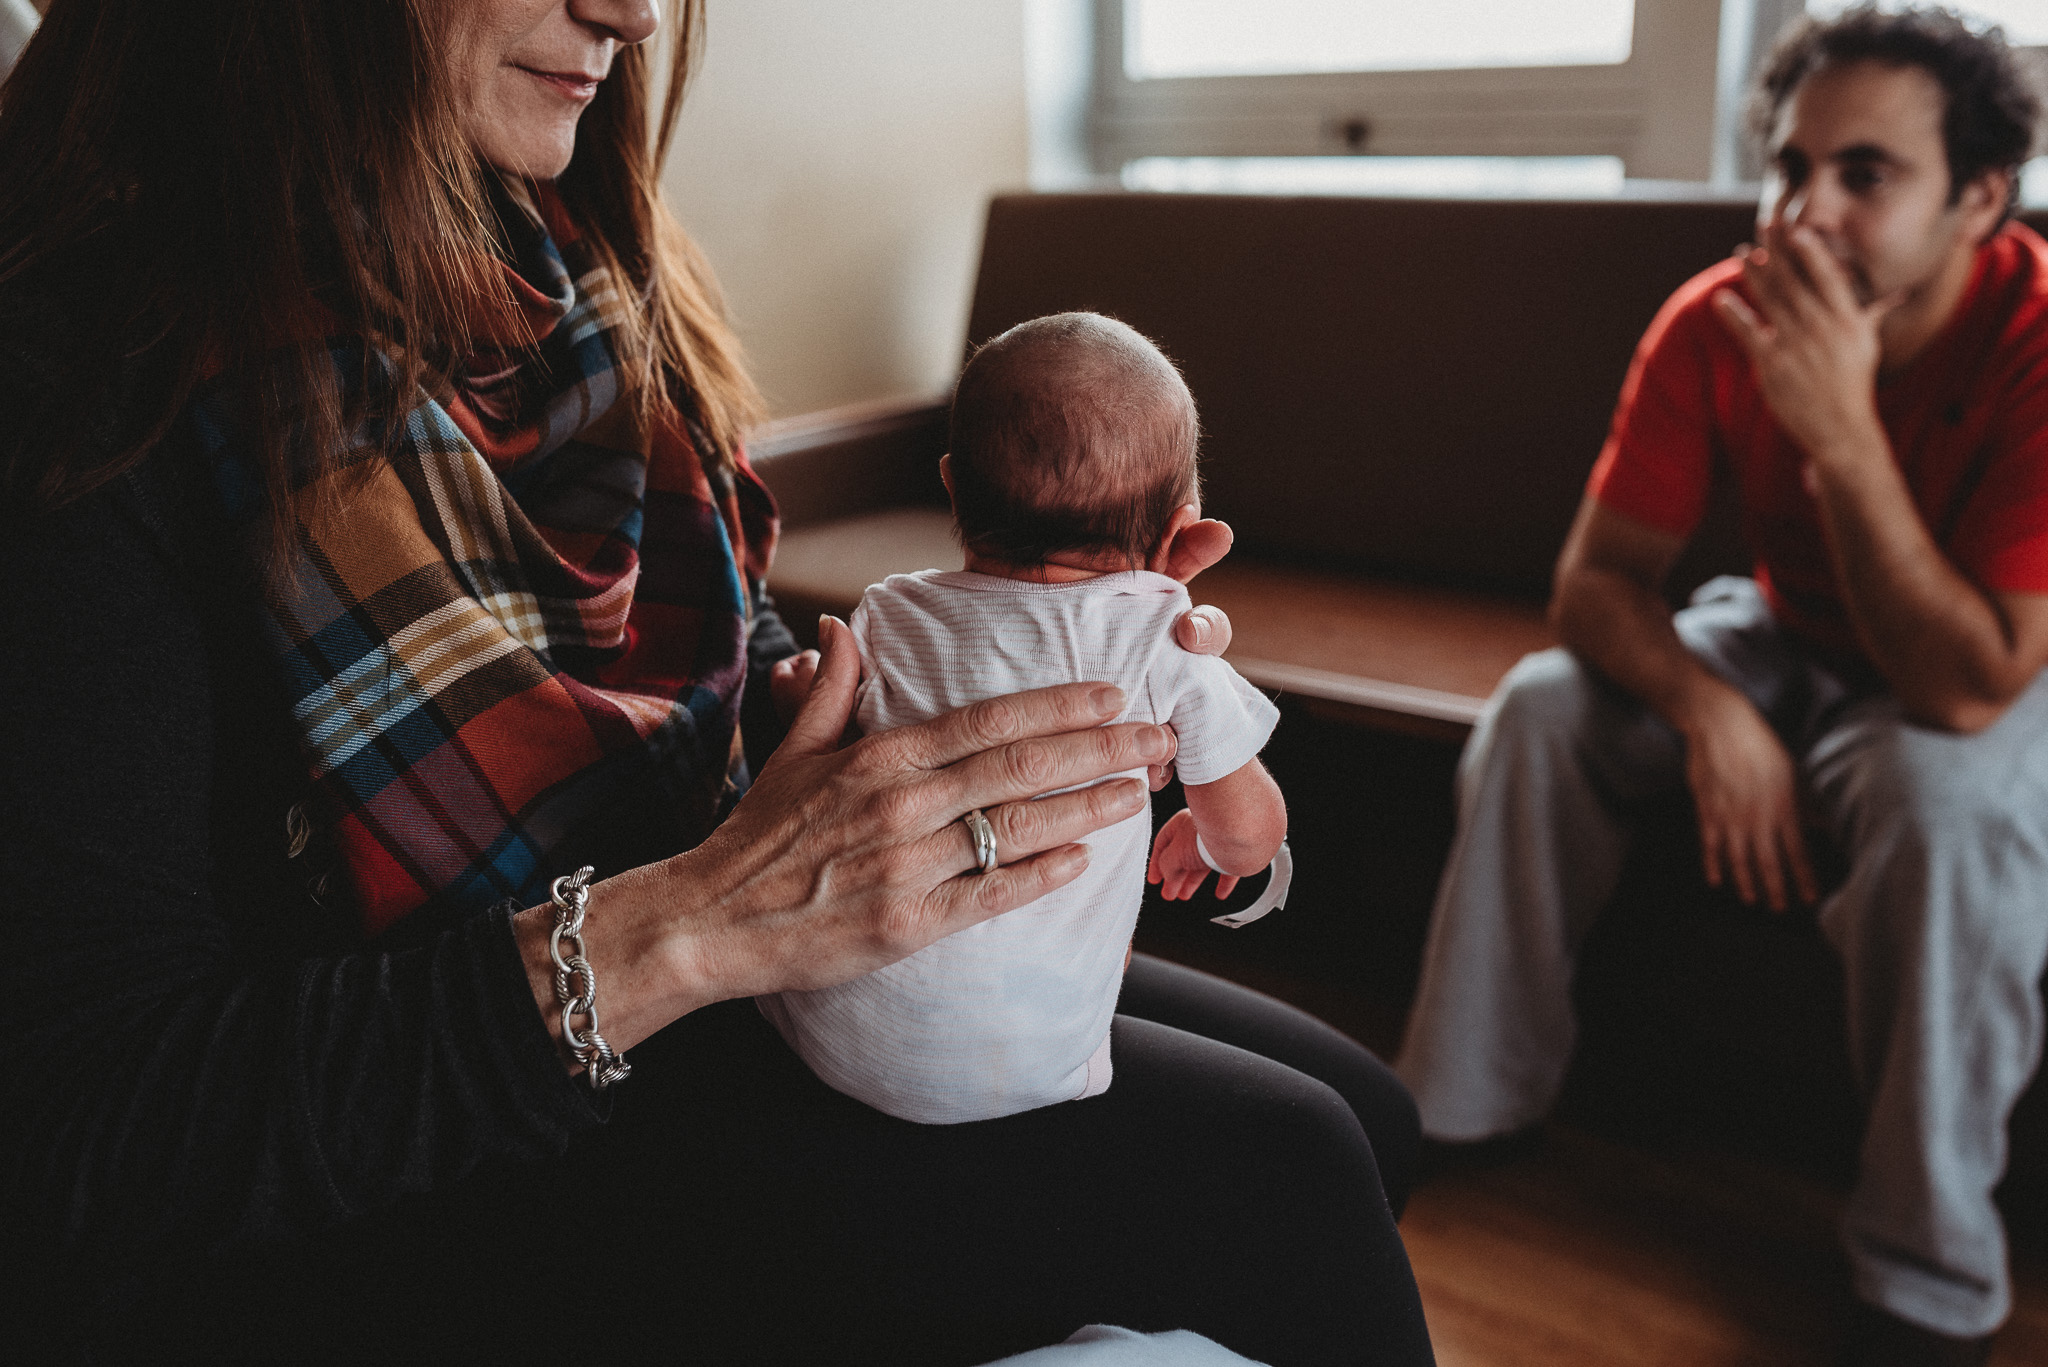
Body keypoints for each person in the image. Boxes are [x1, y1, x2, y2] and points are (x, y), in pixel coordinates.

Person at [0, 2, 1433, 1364]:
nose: (631, 14)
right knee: (1294, 1171)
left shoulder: (567, 268)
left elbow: (647, 704)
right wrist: (688, 924)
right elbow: (81, 1134)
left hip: (709, 980)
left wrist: (806, 713)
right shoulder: (85, 380)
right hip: (422, 1157)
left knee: (1367, 1108)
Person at [1395, 8, 2048, 1364]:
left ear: (1980, 197)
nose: (1802, 213)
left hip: (1970, 672)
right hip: (1786, 634)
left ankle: (1926, 1278)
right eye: (1789, 165)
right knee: (1539, 705)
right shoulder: (1717, 313)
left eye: (1864, 175)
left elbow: (1976, 683)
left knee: (1946, 805)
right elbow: (1594, 582)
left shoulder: (2037, 342)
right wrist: (1713, 710)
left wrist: (1844, 434)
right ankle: (1461, 1104)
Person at [761, 313, 1290, 1125]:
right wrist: (1209, 835)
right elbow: (1253, 836)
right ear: (1184, 529)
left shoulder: (889, 611)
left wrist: (798, 691)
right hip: (1033, 1069)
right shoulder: (1163, 642)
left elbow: (831, 736)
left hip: (829, 1040)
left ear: (950, 487)